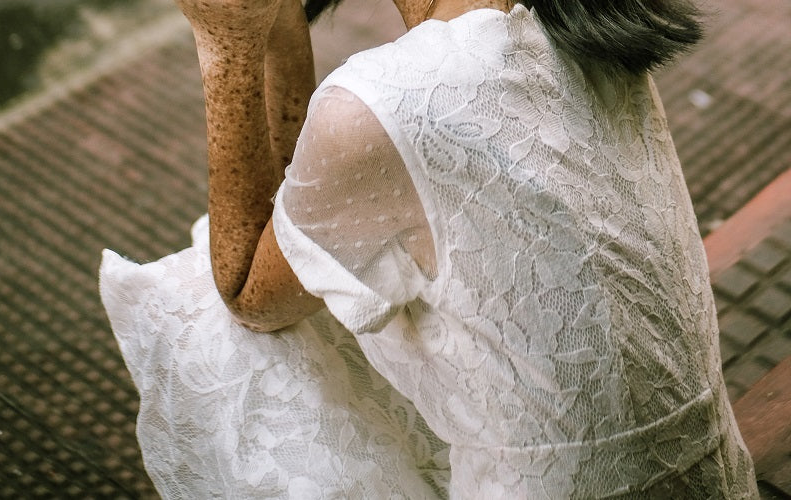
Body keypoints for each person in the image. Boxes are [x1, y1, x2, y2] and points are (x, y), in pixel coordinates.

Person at [100, 0, 760, 497]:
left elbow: (248, 292)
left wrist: (229, 49)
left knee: (206, 312)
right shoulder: (577, 19)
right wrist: (278, 35)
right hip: (718, 481)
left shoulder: (391, 102)